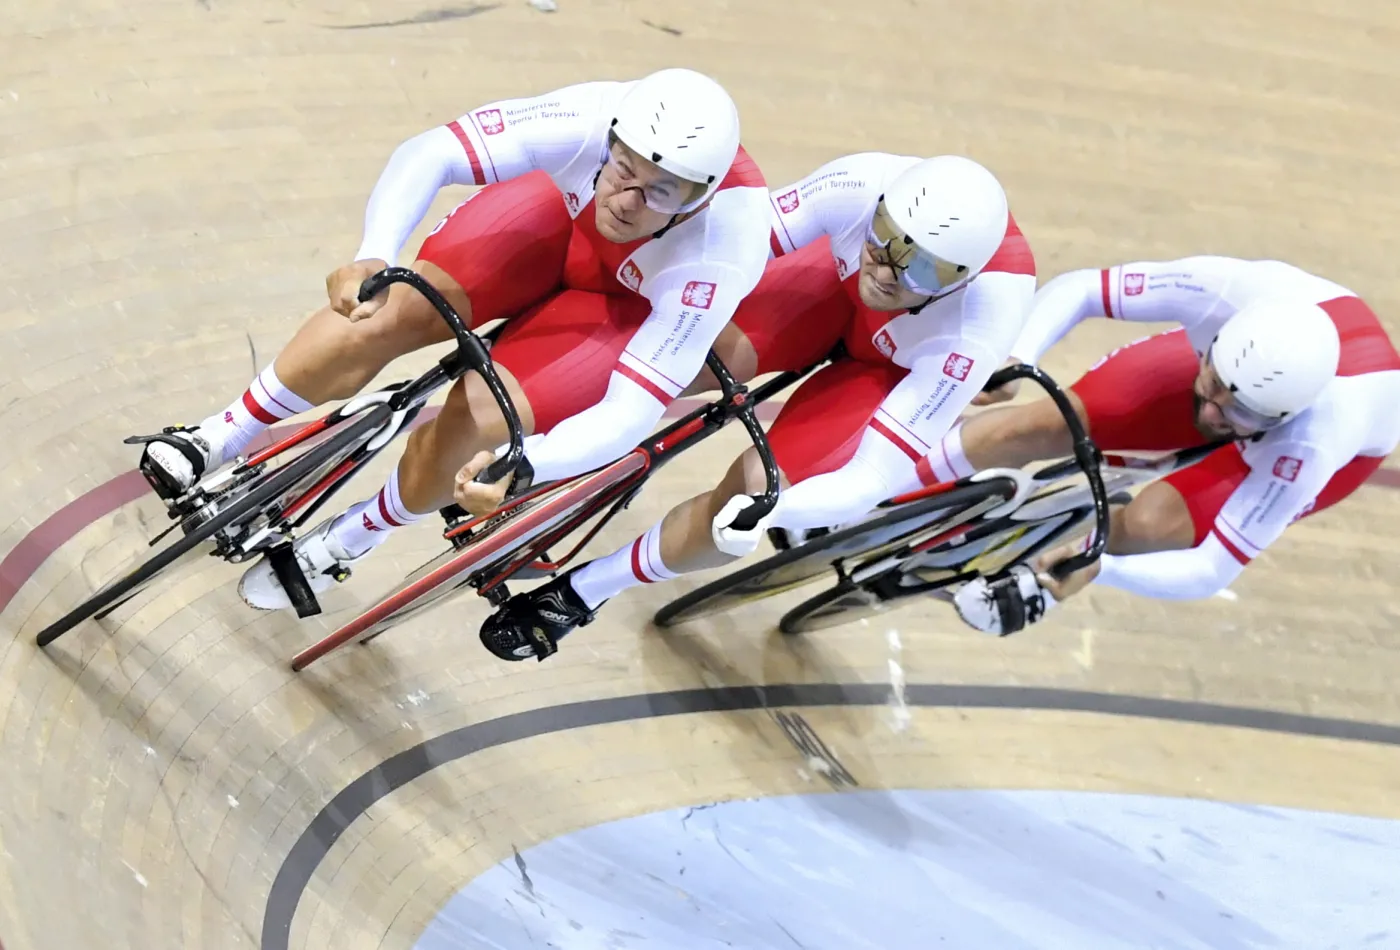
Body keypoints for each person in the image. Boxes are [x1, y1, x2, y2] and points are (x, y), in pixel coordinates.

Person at [129, 68, 777, 609]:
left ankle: (357, 532)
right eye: (622, 171)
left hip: (626, 302)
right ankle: (221, 435)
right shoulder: (590, 116)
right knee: (387, 308)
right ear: (610, 140)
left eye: (660, 193)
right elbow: (431, 152)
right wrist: (375, 253)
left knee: (482, 420)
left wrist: (527, 463)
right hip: (559, 220)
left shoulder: (721, 253)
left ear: (700, 198)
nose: (628, 201)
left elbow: (630, 411)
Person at [474, 150, 1037, 661]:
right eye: (884, 238)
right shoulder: (859, 184)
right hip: (827, 283)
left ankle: (586, 588)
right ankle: (572, 454)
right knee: (695, 356)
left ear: (962, 279)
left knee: (751, 494)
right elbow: (722, 246)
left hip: (900, 367)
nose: (889, 271)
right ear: (881, 210)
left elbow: (871, 476)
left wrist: (774, 512)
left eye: (922, 269)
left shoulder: (978, 329)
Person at [947, 255, 1400, 634]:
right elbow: (1083, 288)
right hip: (1240, 377)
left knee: (1148, 527)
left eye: (1240, 413)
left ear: (1284, 417)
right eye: (1213, 388)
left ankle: (1043, 568)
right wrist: (1018, 357)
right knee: (1041, 425)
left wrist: (1099, 566)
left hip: (1314, 446)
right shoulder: (1226, 291)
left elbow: (1212, 568)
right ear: (1219, 341)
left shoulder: (1312, 443)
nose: (1211, 416)